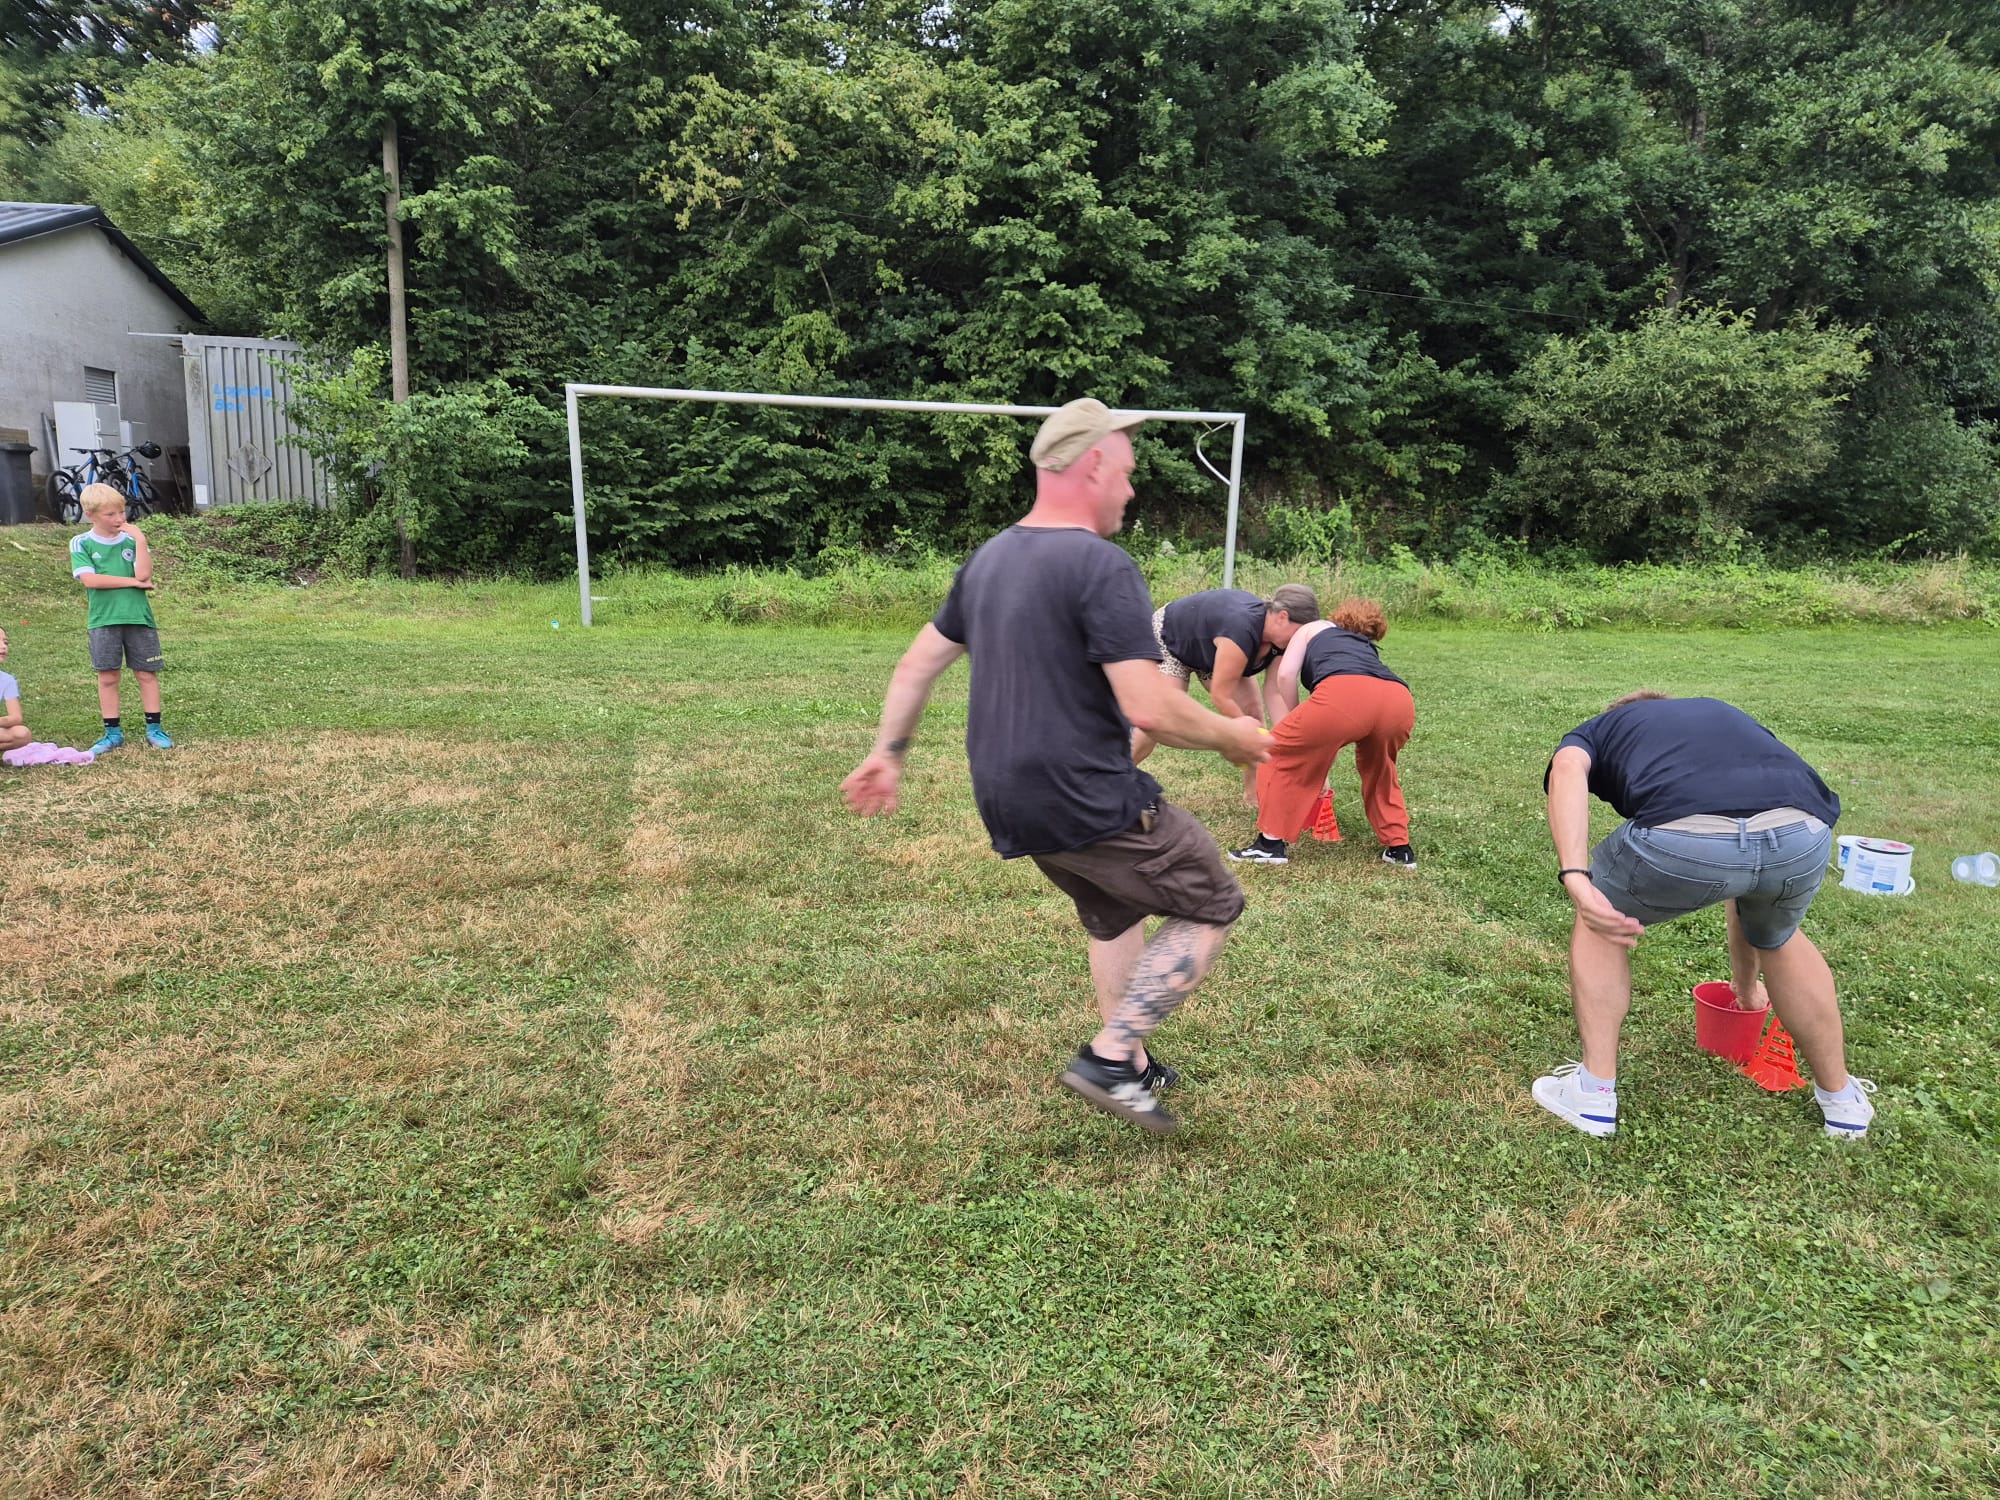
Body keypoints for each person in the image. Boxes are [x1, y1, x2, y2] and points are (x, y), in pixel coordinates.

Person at [840, 398, 1270, 1134]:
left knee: (1113, 912)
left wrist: (888, 753)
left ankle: (1132, 1066)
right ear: (1093, 464)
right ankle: (1111, 1056)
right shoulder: (1100, 564)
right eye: (1126, 473)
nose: (1131, 490)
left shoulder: (990, 559)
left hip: (1009, 798)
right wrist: (1233, 735)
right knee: (1212, 900)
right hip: (1083, 790)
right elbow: (1151, 707)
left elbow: (917, 664)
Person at [1537, 691, 1875, 1140]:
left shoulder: (1601, 729)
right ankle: (1842, 1102)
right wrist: (1745, 987)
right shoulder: (1720, 711)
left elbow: (1567, 768)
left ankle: (1593, 1095)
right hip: (1803, 829)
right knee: (1778, 934)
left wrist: (1577, 876)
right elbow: (1747, 865)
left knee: (1600, 915)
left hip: (1688, 834)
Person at [1228, 598, 1416, 868]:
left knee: (1273, 751)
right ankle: (1399, 848)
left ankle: (1269, 846)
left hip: (1345, 694)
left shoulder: (1314, 627)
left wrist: (1295, 716)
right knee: (1380, 769)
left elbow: (1285, 675)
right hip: (1398, 700)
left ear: (1339, 616)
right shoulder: (1365, 646)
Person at [1132, 583, 1318, 803]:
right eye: (1300, 632)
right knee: (1161, 718)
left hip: (1212, 650)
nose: (1301, 641)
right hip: (1173, 637)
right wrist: (1243, 735)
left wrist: (1291, 743)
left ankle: (1253, 793)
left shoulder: (1283, 641)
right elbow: (1221, 695)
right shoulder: (1241, 631)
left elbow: (1274, 692)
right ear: (1282, 617)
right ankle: (1114, 776)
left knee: (1253, 714)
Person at [70, 482, 174, 755]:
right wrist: (133, 582)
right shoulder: (81, 542)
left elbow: (144, 575)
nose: (119, 519)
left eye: (121, 512)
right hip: (103, 620)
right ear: (91, 515)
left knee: (146, 674)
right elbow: (91, 580)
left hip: (139, 618)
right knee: (108, 676)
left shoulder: (131, 541)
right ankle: (112, 733)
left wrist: (141, 540)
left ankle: (154, 729)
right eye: (110, 514)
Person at [0, 626, 30, 754]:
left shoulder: (7, 680)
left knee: (22, 734)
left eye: (5, 642)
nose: (3, 647)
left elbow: (16, 717)